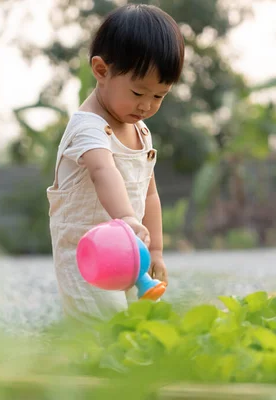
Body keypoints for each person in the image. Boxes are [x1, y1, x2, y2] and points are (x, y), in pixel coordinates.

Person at [46, 3, 185, 325]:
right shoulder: (87, 127)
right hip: (88, 255)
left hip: (129, 253)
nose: (147, 105)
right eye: (138, 92)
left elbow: (149, 195)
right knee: (100, 322)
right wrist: (125, 217)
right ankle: (89, 369)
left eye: (159, 96)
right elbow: (102, 171)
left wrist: (158, 249)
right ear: (101, 70)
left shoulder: (141, 130)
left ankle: (118, 370)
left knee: (128, 321)